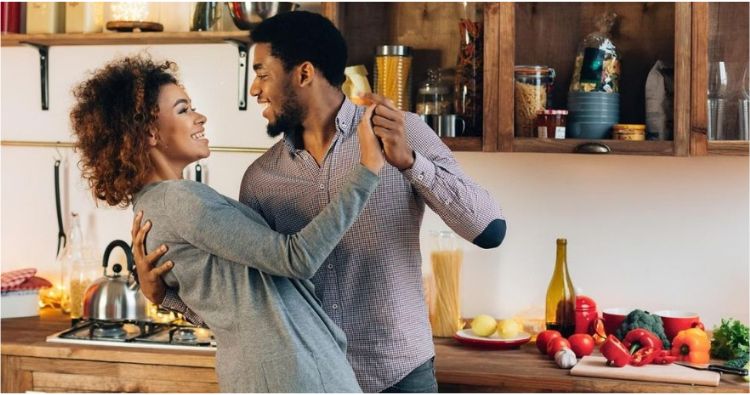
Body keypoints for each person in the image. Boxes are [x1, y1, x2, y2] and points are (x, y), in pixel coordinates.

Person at [133, 11, 507, 393]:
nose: (255, 90)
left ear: (304, 73)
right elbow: (252, 310)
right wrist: (166, 296)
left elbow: (489, 229)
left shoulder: (400, 131)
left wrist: (411, 163)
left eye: (262, 74)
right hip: (317, 380)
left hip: (400, 375)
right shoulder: (262, 180)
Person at [71, 55, 387, 392]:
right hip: (294, 375)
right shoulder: (179, 201)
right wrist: (367, 168)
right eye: (183, 109)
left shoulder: (153, 207)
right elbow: (298, 258)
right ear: (149, 132)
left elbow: (232, 307)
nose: (200, 117)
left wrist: (164, 296)